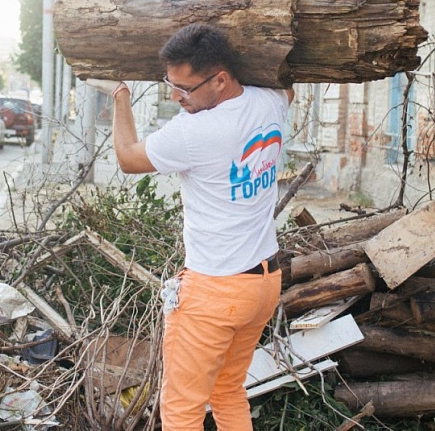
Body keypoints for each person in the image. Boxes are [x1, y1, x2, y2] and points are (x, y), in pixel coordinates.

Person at [87, 23, 294, 430]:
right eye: (170, 84)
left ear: (219, 80)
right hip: (263, 284)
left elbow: (128, 158)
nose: (174, 96)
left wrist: (120, 95)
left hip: (215, 291)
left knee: (182, 410)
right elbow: (289, 88)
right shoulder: (270, 102)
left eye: (184, 89)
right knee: (228, 391)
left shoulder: (197, 132)